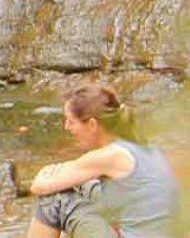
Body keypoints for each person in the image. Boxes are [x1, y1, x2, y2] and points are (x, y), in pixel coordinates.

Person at [17, 83, 179, 238]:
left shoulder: (111, 155)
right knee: (86, 187)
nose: (67, 127)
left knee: (54, 200)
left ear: (92, 125)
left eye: (71, 121)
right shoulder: (138, 145)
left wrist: (45, 173)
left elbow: (39, 187)